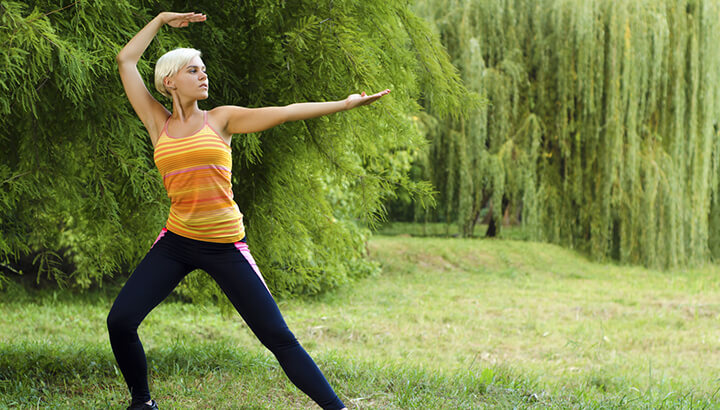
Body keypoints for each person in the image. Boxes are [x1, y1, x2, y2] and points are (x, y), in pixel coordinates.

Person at [107, 11, 390, 410]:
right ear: (169, 80)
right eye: (193, 70)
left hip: (225, 246)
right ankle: (142, 403)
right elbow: (126, 60)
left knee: (278, 337)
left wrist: (344, 104)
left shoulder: (221, 120)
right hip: (176, 243)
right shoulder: (158, 123)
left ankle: (338, 409)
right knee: (120, 322)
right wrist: (160, 20)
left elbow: (287, 111)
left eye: (204, 69)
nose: (204, 75)